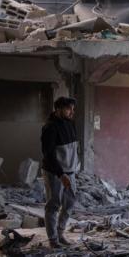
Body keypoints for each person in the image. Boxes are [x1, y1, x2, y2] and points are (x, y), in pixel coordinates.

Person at [41, 97, 79, 248]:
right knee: (53, 204)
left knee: (70, 202)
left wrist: (73, 169)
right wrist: (60, 174)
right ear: (58, 109)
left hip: (70, 171)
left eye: (72, 109)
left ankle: (60, 232)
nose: (72, 112)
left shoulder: (70, 124)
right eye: (68, 109)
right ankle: (53, 239)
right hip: (54, 172)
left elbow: (73, 148)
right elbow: (48, 155)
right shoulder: (49, 128)